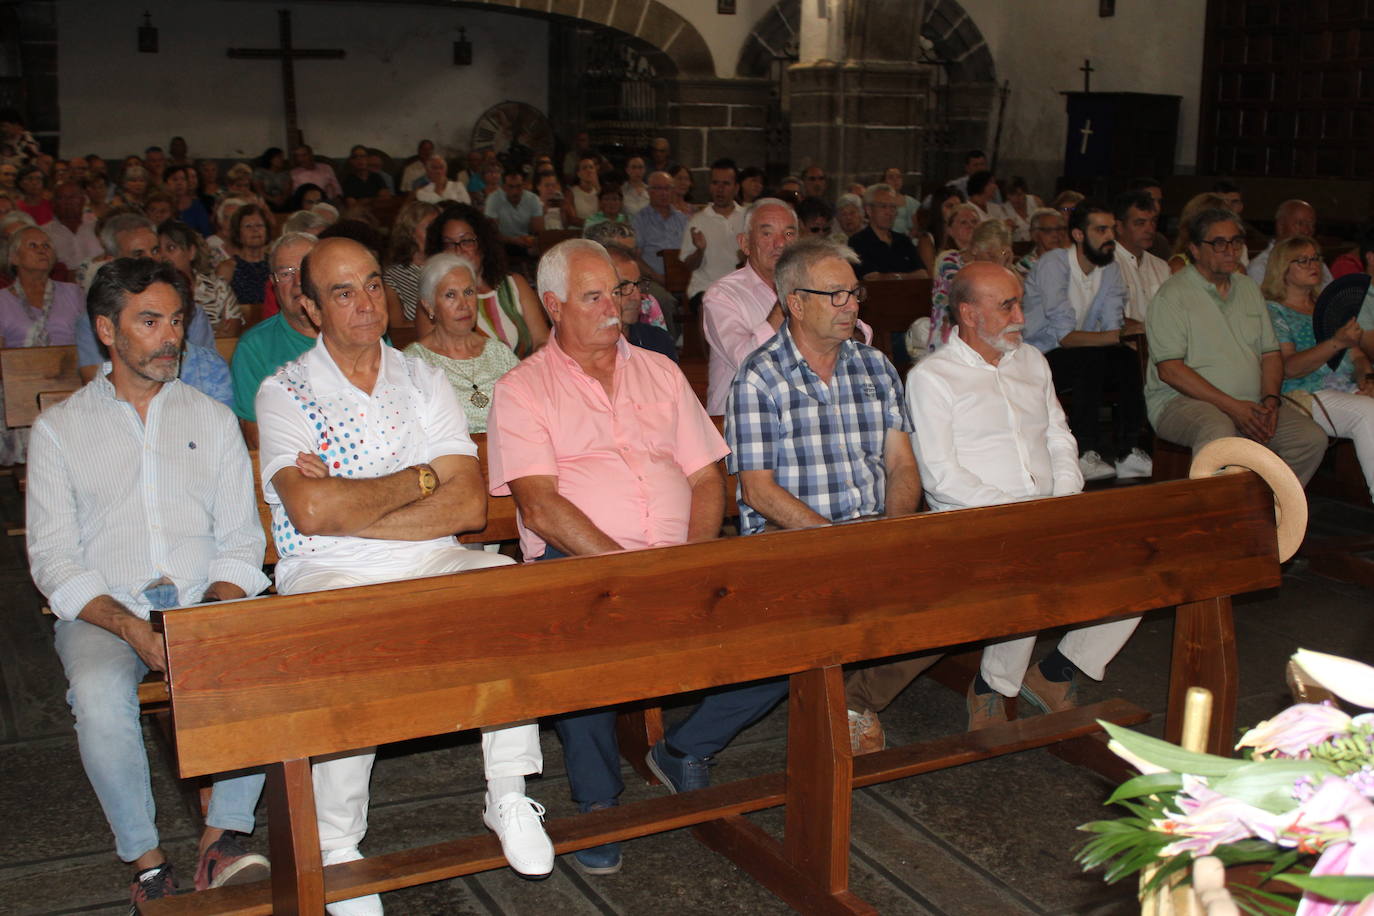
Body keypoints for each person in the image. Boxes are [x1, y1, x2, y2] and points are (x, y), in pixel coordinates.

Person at [256, 238, 554, 910]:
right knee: (346, 633)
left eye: (372, 284)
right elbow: (310, 514)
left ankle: (508, 793)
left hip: (427, 555)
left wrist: (348, 500)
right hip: (326, 567)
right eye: (343, 292)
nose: (367, 304)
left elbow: (467, 504)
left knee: (505, 585)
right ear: (310, 307)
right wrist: (419, 479)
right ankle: (337, 845)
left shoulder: (422, 379)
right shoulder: (285, 392)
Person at [26, 257, 271, 907]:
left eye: (178, 321)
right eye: (151, 321)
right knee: (99, 691)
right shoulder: (59, 430)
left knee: (259, 660)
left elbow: (242, 541)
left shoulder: (210, 418)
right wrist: (133, 628)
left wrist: (205, 615)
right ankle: (146, 861)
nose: (171, 337)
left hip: (200, 600)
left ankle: (224, 837)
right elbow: (52, 560)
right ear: (107, 330)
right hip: (107, 611)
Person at [485, 238, 730, 876]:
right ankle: (597, 800)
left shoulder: (660, 371)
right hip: (581, 561)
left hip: (680, 557)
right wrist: (631, 572)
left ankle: (685, 747)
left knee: (794, 617)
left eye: (616, 293)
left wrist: (692, 560)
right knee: (578, 631)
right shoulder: (522, 388)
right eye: (592, 297)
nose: (612, 308)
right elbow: (541, 507)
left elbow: (707, 477)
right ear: (553, 305)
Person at [914, 260, 1140, 728]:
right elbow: (940, 476)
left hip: (1047, 510)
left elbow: (1059, 434)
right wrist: (1019, 514)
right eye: (1007, 306)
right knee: (1029, 564)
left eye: (1019, 304)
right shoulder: (932, 377)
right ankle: (992, 686)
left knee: (1140, 567)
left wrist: (1063, 496)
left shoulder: (1033, 360)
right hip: (973, 522)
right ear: (969, 314)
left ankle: (1056, 672)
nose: (1021, 317)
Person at [725, 236, 920, 753]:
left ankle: (855, 699)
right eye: (835, 295)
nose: (850, 305)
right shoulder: (760, 377)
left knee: (959, 594)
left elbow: (901, 463)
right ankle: (836, 702)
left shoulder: (875, 366)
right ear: (795, 302)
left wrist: (896, 530)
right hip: (792, 538)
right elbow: (758, 491)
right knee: (838, 598)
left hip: (872, 527)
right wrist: (838, 542)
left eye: (854, 293)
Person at [1146, 207, 1327, 484]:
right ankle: (1216, 510)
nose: (1230, 251)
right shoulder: (1173, 295)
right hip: (1182, 402)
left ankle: (1268, 505)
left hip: (1252, 402)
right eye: (1219, 243)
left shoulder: (1248, 288)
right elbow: (1170, 371)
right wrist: (1233, 407)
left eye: (1236, 242)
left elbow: (1270, 354)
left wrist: (1270, 401)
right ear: (1194, 249)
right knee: (1218, 430)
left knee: (1309, 438)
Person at [703, 198, 873, 415]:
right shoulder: (722, 295)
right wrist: (786, 301)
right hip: (744, 417)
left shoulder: (814, 286)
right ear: (744, 243)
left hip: (805, 414)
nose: (780, 243)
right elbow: (746, 361)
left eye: (789, 234)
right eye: (767, 234)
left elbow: (860, 336)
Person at [1023, 199, 1151, 480]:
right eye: (1101, 230)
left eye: (1112, 229)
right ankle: (1083, 452)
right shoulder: (1053, 264)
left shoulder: (1110, 268)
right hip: (1040, 355)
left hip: (1085, 351)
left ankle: (1128, 451)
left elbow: (1112, 323)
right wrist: (1120, 335)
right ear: (1078, 234)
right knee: (1089, 357)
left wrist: (1122, 336)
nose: (1110, 237)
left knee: (1127, 358)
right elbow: (1065, 337)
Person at [1263, 236, 1374, 500]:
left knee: (1367, 404)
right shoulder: (1274, 312)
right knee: (1367, 412)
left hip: (1344, 388)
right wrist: (1336, 342)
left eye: (1315, 258)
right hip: (1303, 392)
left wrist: (1367, 378)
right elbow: (1289, 368)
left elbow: (1358, 356)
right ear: (1282, 268)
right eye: (1302, 260)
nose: (1313, 265)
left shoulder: (1327, 306)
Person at [404, 252, 519, 433]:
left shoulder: (499, 352)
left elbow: (531, 408)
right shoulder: (414, 362)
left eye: (468, 292)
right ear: (429, 306)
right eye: (450, 295)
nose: (464, 304)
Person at [0, 227, 84, 463]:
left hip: (69, 383)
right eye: (33, 246)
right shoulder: (2, 300)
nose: (42, 250)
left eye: (46, 245)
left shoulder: (73, 293)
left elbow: (88, 342)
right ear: (14, 258)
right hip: (18, 389)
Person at [230, 232, 318, 448]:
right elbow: (256, 438)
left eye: (305, 269)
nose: (298, 282)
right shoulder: (254, 347)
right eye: (286, 274)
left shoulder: (358, 333)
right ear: (274, 284)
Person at [424, 203, 549, 355]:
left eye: (466, 241)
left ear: (483, 244)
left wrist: (535, 363)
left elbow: (542, 340)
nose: (458, 251)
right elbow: (433, 357)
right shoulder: (434, 297)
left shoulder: (515, 284)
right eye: (449, 244)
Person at [927, 211, 1007, 351]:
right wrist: (999, 270)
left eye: (999, 255)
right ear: (975, 249)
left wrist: (1007, 268)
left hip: (985, 329)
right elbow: (967, 295)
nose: (994, 260)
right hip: (950, 331)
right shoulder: (950, 260)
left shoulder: (993, 266)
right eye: (990, 254)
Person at [679, 159, 746, 308]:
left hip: (740, 291)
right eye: (715, 183)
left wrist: (747, 256)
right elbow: (689, 266)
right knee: (719, 308)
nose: (719, 189)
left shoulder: (748, 218)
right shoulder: (697, 221)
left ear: (736, 188)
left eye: (726, 184)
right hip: (705, 289)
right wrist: (700, 250)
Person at [159, 219, 242, 336]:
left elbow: (230, 330)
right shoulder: (153, 292)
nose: (163, 256)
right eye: (157, 250)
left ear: (191, 252)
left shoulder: (217, 287)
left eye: (171, 248)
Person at [607, 242, 676, 361]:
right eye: (623, 286)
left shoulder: (658, 341)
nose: (636, 297)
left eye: (638, 284)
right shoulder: (582, 348)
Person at [1113, 190, 1170, 324]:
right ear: (1119, 227)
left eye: (1153, 222)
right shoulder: (1105, 263)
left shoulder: (1162, 267)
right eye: (1140, 223)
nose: (1150, 229)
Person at [1249, 199, 1333, 287]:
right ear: (1281, 226)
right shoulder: (1261, 267)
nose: (1307, 230)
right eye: (1300, 224)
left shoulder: (1316, 262)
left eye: (1311, 225)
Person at [849, 183, 924, 280]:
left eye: (893, 207)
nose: (889, 212)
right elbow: (872, 278)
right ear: (869, 210)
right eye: (883, 206)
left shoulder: (903, 240)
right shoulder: (858, 242)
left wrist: (896, 277)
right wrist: (907, 277)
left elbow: (923, 275)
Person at [382, 199, 438, 323]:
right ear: (410, 233)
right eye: (429, 228)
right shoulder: (393, 275)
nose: (436, 234)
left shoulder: (449, 267)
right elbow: (397, 326)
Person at [632, 171, 690, 278]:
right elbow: (634, 257)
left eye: (667, 188)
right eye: (658, 188)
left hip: (681, 278)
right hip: (651, 280)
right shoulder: (640, 220)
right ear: (649, 191)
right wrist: (657, 277)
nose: (664, 193)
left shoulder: (682, 219)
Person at [216, 204, 272, 307]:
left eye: (259, 225)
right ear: (238, 233)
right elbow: (219, 306)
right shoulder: (227, 268)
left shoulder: (275, 264)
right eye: (248, 226)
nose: (255, 230)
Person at [483, 168, 542, 261]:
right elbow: (491, 232)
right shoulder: (493, 199)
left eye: (519, 186)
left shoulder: (533, 199)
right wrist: (513, 240)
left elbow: (538, 230)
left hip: (526, 242)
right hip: (502, 243)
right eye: (511, 187)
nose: (515, 191)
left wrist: (531, 239)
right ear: (503, 187)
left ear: (524, 185)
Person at [42, 180, 102, 271]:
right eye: (61, 198)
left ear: (83, 201)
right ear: (53, 203)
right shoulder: (45, 233)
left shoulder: (96, 226)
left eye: (73, 197)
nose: (68, 202)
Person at [1015, 207, 1066, 277]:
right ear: (1034, 235)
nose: (1056, 235)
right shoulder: (1025, 266)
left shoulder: (1072, 258)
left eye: (1059, 229)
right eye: (1048, 230)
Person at [1003, 176, 1043, 243]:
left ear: (1025, 193)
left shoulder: (1036, 201)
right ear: (1007, 195)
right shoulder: (1004, 209)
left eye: (1019, 194)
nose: (1016, 199)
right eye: (1012, 195)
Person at [568, 156, 601, 224]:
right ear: (578, 174)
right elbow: (572, 219)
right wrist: (592, 223)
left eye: (591, 167)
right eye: (584, 168)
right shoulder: (571, 193)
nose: (589, 171)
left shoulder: (599, 192)